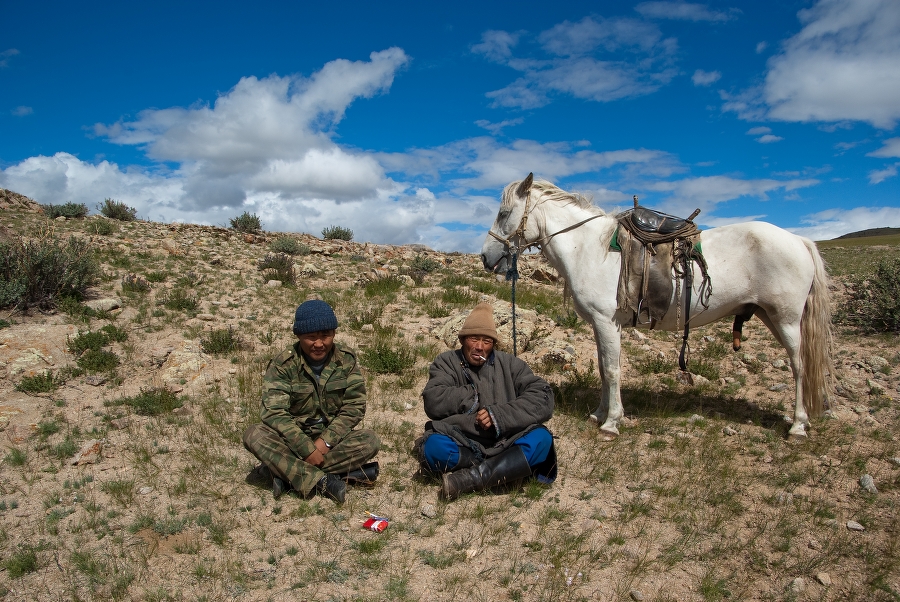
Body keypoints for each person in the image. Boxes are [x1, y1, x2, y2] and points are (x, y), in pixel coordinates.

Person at [243, 299, 380, 504]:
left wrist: (325, 442)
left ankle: (285, 474)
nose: (319, 344)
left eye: (325, 336)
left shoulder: (346, 360)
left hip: (330, 440)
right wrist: (306, 449)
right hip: (292, 441)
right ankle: (324, 480)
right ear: (299, 336)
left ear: (334, 334)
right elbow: (274, 413)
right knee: (254, 435)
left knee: (370, 441)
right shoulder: (283, 365)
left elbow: (354, 407)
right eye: (311, 337)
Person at [418, 302, 557, 500]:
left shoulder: (511, 364)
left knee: (542, 440)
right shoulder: (446, 362)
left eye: (487, 341)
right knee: (434, 447)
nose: (479, 347)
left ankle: (468, 478)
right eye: (474, 339)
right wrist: (473, 397)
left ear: (493, 344)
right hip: (463, 440)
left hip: (507, 440)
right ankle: (506, 469)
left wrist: (498, 415)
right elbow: (433, 399)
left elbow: (543, 396)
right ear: (463, 339)